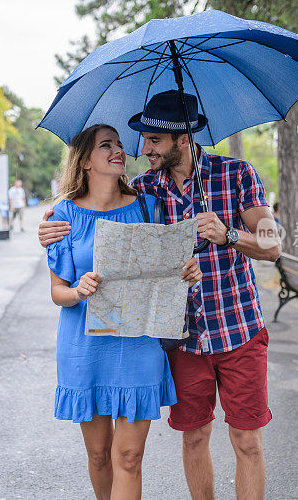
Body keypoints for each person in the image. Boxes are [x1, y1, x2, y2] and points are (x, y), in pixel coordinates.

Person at [39, 91, 281, 500]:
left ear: (182, 140)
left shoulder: (237, 174)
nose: (142, 149)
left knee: (247, 442)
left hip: (238, 327)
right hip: (181, 338)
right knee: (194, 437)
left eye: (152, 140)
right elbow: (113, 230)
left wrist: (230, 235)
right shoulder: (147, 193)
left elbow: (272, 245)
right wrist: (50, 227)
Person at [47, 123, 201, 500]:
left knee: (129, 456)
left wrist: (187, 273)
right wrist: (77, 290)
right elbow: (56, 292)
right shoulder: (62, 216)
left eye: (119, 144)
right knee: (99, 455)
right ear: (84, 161)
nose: (119, 150)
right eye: (106, 146)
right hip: (85, 344)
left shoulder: (149, 207)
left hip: (138, 343)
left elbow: (169, 273)